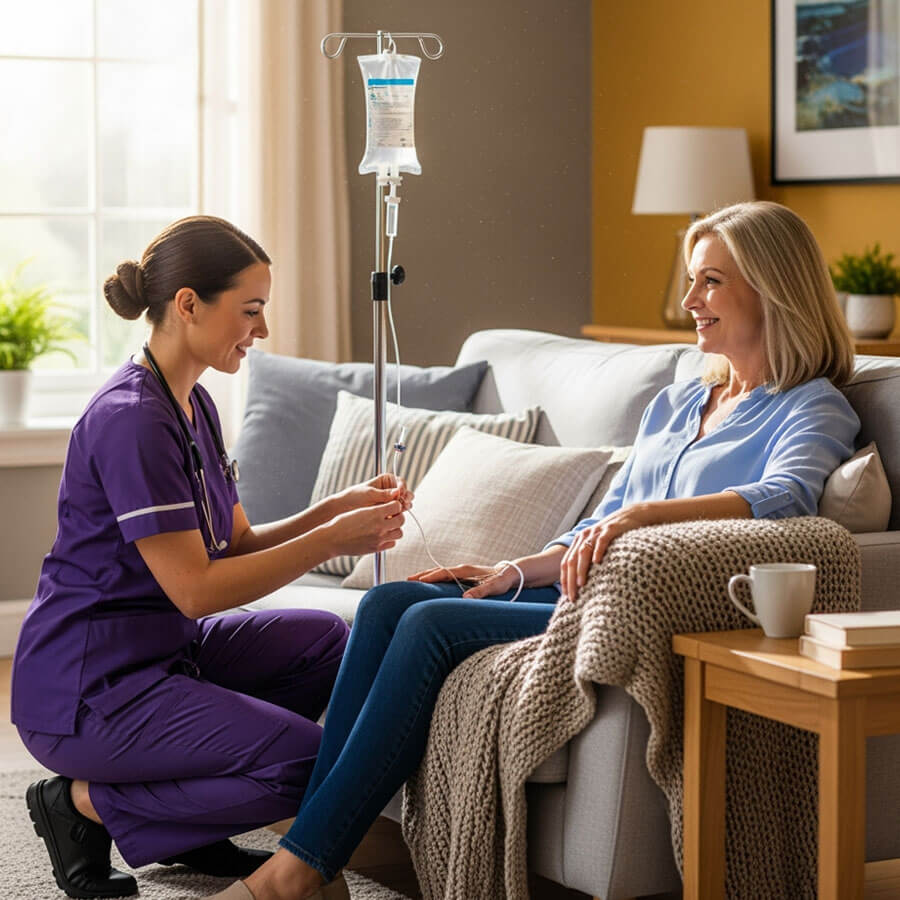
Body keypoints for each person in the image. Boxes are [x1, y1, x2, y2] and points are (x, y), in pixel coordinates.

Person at [206, 200, 861, 900]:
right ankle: (319, 857)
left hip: (634, 610)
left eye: (710, 282)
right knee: (389, 602)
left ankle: (297, 871)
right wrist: (513, 571)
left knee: (429, 625)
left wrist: (644, 516)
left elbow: (786, 497)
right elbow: (599, 523)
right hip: (577, 586)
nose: (689, 301)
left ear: (771, 288)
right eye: (693, 280)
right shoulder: (676, 404)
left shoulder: (813, 405)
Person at [10, 216, 412, 900]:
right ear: (189, 304)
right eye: (250, 310)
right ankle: (79, 803)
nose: (262, 329)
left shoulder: (193, 402)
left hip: (163, 654)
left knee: (327, 641)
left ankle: (189, 820)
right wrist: (330, 542)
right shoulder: (132, 419)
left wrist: (333, 510)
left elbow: (238, 544)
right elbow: (196, 590)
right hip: (87, 690)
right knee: (304, 768)